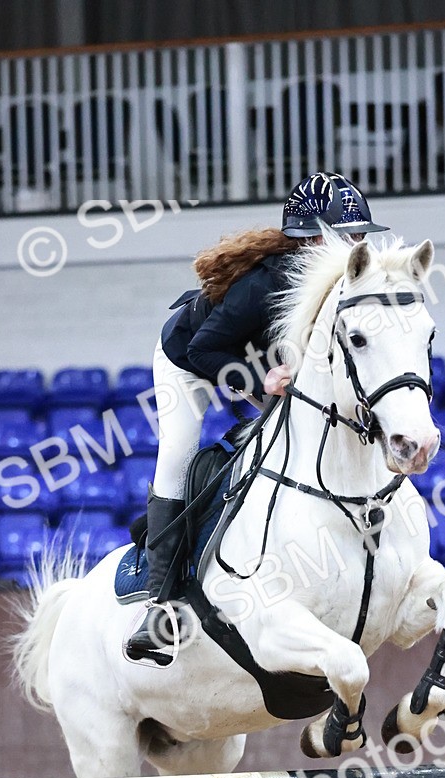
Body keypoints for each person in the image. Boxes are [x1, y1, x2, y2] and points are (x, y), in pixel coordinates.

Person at [125, 172, 389, 664]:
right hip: (189, 359)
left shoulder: (342, 285)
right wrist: (257, 380)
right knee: (177, 458)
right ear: (314, 239)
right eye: (349, 235)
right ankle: (160, 605)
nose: (360, 245)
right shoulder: (263, 284)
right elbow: (204, 349)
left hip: (261, 361)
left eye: (360, 235)